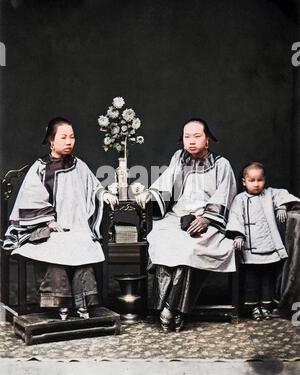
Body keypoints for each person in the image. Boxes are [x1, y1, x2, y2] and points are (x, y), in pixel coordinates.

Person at [3, 117, 118, 320]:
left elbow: (94, 188)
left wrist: (104, 194)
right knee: (56, 250)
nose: (69, 141)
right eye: (63, 137)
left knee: (83, 245)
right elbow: (30, 200)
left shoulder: (79, 165)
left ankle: (83, 304)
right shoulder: (40, 167)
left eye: (72, 137)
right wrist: (49, 221)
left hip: (77, 225)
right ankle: (60, 303)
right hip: (47, 227)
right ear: (51, 141)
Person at [135, 118, 237, 332]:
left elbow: (225, 195)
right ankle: (164, 306)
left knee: (190, 249)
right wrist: (149, 194)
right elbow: (165, 182)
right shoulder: (178, 158)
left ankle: (172, 309)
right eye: (186, 136)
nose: (191, 141)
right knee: (162, 240)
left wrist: (207, 218)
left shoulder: (221, 164)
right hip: (176, 216)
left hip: (205, 219)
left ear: (207, 140)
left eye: (197, 136)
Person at [226, 162, 300, 321]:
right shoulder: (239, 199)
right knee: (252, 279)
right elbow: (235, 218)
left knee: (268, 277)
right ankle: (253, 307)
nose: (256, 184)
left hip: (268, 246)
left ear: (264, 180)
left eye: (259, 180)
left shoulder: (269, 194)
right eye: (252, 180)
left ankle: (266, 307)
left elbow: (283, 195)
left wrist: (281, 206)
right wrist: (238, 235)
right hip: (250, 249)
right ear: (244, 182)